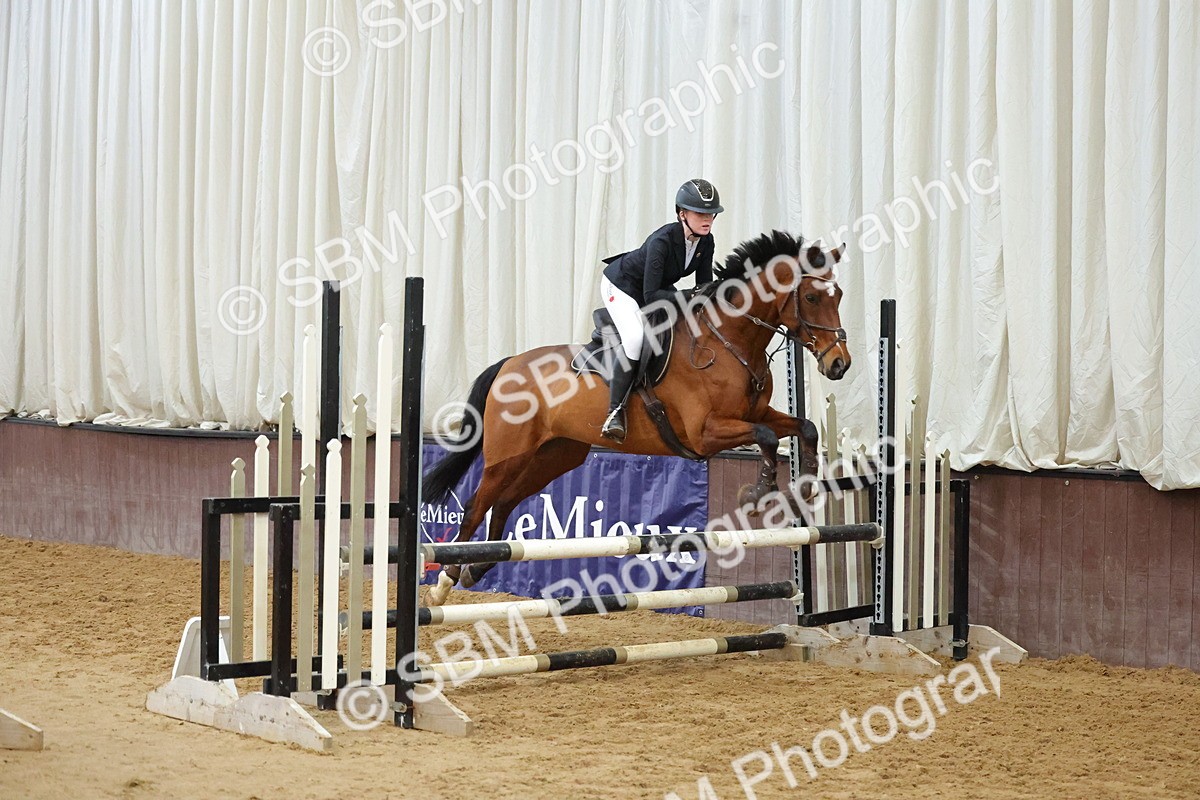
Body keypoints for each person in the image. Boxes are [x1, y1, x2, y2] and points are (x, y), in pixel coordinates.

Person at [597, 178, 723, 441]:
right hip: (621, 287)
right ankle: (614, 413)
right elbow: (652, 295)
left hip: (653, 287)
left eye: (710, 213)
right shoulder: (661, 241)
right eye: (700, 213)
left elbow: (704, 285)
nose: (707, 219)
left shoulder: (706, 241)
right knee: (634, 338)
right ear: (682, 214)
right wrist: (689, 295)